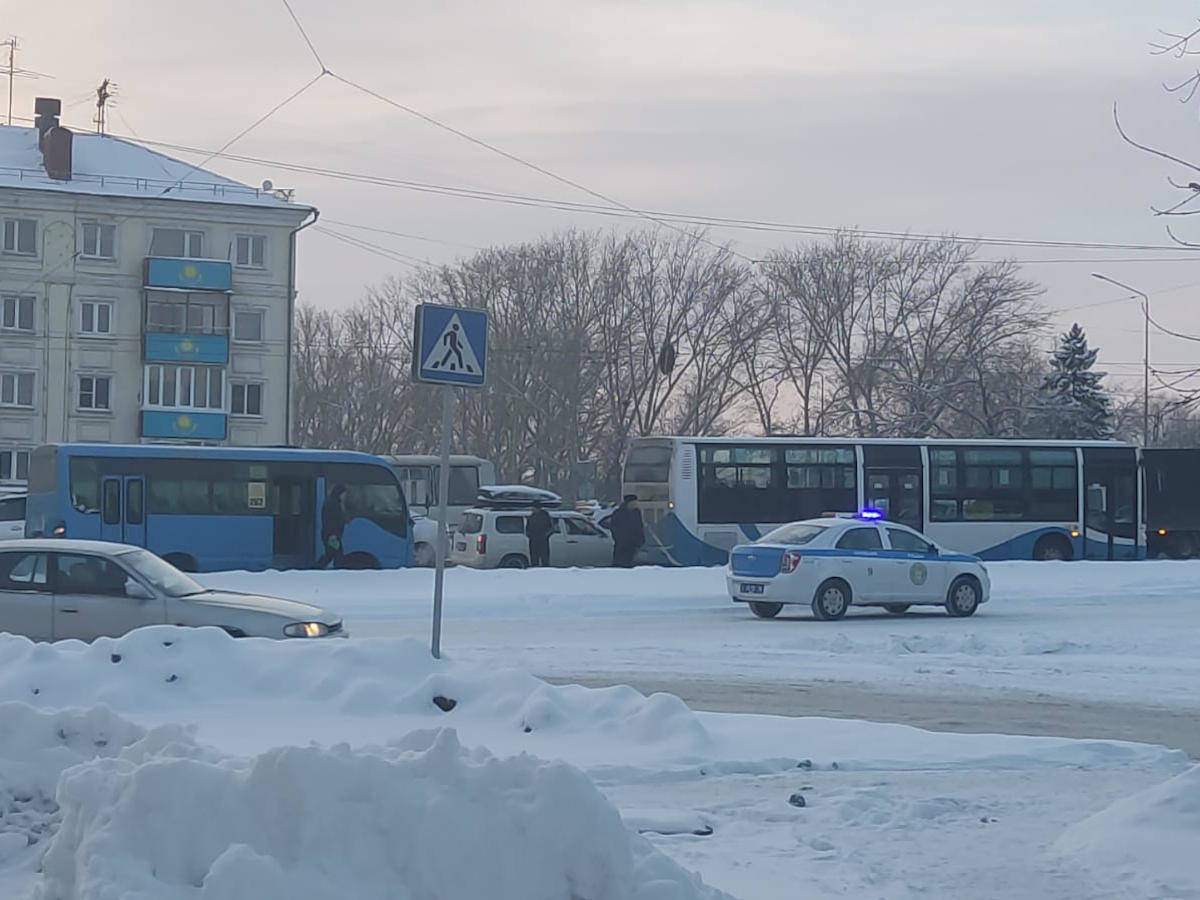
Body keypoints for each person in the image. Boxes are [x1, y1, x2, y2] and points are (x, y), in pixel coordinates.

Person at [316, 484, 348, 569]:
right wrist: (333, 534)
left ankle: (318, 567)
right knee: (337, 555)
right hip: (332, 536)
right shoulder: (332, 504)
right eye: (343, 494)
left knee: (330, 554)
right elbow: (329, 521)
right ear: (339, 493)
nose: (344, 496)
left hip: (333, 535)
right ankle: (337, 571)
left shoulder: (334, 503)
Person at [609, 494, 645, 568]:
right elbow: (613, 526)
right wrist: (618, 537)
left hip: (633, 543)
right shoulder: (618, 513)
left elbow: (639, 526)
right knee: (619, 562)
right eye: (633, 503)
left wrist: (641, 539)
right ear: (628, 503)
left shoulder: (636, 512)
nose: (635, 504)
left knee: (630, 562)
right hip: (622, 543)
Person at [525, 502, 554, 567]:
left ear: (538, 508)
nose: (532, 509)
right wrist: (529, 535)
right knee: (534, 559)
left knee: (545, 559)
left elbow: (551, 528)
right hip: (533, 541)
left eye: (533, 508)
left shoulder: (545, 516)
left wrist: (545, 536)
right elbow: (527, 528)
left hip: (543, 541)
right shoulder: (531, 517)